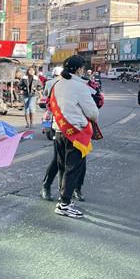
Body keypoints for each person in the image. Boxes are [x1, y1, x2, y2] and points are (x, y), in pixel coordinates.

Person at [48, 55, 99, 218]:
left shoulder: (56, 84)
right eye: (82, 68)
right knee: (72, 169)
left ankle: (64, 198)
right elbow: (93, 113)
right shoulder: (80, 87)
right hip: (75, 134)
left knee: (63, 167)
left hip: (59, 131)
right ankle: (64, 204)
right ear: (78, 70)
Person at [40, 66, 63, 201]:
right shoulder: (51, 84)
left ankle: (71, 190)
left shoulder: (77, 85)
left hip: (74, 128)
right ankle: (47, 185)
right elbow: (45, 100)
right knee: (57, 160)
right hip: (58, 125)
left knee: (75, 163)